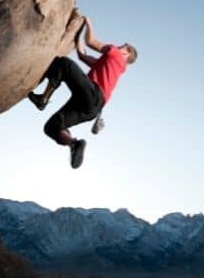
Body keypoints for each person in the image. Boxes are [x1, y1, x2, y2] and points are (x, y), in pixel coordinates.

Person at [28, 15, 137, 169]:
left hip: (93, 96)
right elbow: (83, 56)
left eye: (123, 46)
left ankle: (43, 98)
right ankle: (74, 144)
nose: (119, 46)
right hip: (91, 109)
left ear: (126, 54)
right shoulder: (111, 64)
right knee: (51, 127)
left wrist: (88, 23)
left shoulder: (116, 54)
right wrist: (77, 35)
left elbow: (91, 41)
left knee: (64, 64)